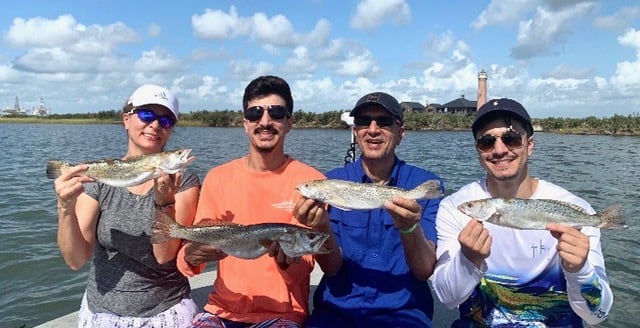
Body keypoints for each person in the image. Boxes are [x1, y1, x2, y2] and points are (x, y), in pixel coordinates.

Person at [432, 98, 613, 326]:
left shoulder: (576, 209)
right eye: (487, 142)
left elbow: (597, 316)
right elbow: (448, 299)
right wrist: (468, 259)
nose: (499, 150)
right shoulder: (454, 207)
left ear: (530, 145)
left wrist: (580, 270)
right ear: (478, 150)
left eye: (511, 139)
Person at [177, 75, 330, 328]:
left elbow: (306, 263)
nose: (265, 122)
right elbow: (189, 255)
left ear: (289, 122)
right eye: (256, 113)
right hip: (220, 310)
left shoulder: (311, 183)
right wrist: (192, 255)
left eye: (277, 113)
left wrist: (287, 261)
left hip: (282, 315)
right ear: (245, 123)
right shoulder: (218, 178)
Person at [53, 84, 201, 327]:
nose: (155, 124)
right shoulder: (99, 180)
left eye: (165, 120)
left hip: (166, 307)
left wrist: (165, 201)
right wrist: (64, 207)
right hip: (101, 309)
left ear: (171, 130)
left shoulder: (184, 181)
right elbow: (76, 260)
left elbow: (165, 256)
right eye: (146, 115)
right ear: (126, 119)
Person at [299, 92, 445, 327]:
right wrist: (320, 225)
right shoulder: (333, 180)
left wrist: (409, 229)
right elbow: (332, 268)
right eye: (364, 121)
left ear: (401, 133)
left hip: (403, 312)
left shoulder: (425, 184)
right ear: (355, 131)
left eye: (384, 122)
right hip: (337, 311)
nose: (373, 129)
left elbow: (424, 271)